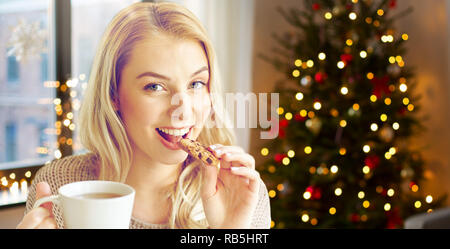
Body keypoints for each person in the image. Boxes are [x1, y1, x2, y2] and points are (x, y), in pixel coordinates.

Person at [16, 2, 271, 229]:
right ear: (113, 94)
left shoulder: (242, 191)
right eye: (155, 86)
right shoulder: (59, 188)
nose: (183, 109)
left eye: (196, 84)